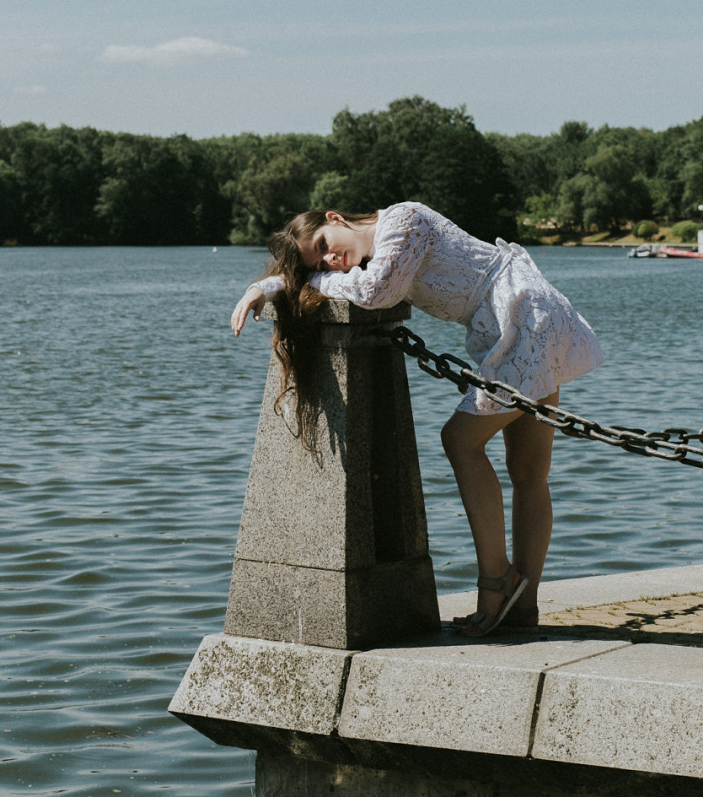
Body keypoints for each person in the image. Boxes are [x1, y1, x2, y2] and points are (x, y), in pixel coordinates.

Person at [231, 201, 603, 636]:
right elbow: (360, 282)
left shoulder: (403, 221)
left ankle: (498, 581)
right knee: (527, 472)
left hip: (525, 317)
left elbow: (374, 293)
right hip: (522, 316)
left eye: (324, 246)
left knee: (462, 442)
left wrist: (302, 280)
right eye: (320, 261)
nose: (331, 259)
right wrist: (271, 285)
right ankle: (522, 607)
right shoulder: (380, 252)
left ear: (335, 218)